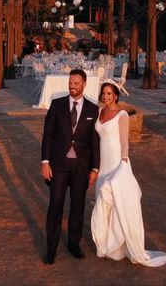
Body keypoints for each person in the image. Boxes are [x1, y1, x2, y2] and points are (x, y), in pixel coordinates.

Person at [91, 81, 166, 267]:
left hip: (117, 164)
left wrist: (123, 165)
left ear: (116, 95)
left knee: (118, 203)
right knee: (104, 203)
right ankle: (106, 246)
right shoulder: (100, 112)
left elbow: (125, 142)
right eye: (104, 93)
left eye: (109, 94)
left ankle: (118, 245)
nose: (106, 97)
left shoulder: (122, 115)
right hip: (103, 164)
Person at [40, 69, 100, 265]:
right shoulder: (57, 105)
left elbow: (94, 142)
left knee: (78, 206)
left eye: (76, 82)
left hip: (81, 167)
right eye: (70, 82)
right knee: (56, 204)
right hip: (58, 165)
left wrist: (95, 169)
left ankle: (74, 243)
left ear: (84, 84)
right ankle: (51, 247)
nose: (72, 85)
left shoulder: (93, 109)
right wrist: (45, 162)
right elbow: (48, 135)